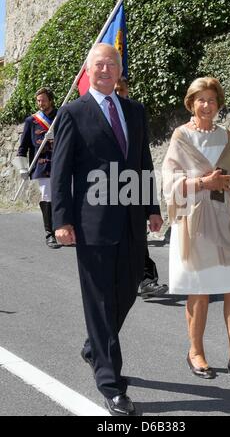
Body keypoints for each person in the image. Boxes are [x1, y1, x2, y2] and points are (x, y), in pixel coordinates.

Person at [51, 43, 163, 416]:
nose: (105, 70)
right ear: (88, 71)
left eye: (111, 64)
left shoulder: (134, 110)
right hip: (92, 224)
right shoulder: (72, 113)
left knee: (128, 290)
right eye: (98, 64)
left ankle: (94, 347)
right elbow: (61, 170)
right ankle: (112, 385)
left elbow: (143, 160)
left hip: (132, 221)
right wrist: (61, 220)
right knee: (99, 301)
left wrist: (152, 208)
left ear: (118, 70)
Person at [162, 76, 230, 380]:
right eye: (200, 100)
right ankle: (196, 353)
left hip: (221, 218)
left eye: (211, 100)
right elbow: (169, 183)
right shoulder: (181, 136)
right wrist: (203, 183)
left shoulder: (226, 135)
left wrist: (227, 182)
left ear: (218, 104)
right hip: (193, 222)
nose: (206, 105)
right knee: (200, 290)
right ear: (191, 103)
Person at [115, 77, 168, 299]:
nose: (117, 94)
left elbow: (144, 161)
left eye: (121, 90)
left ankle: (147, 280)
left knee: (138, 239)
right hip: (102, 191)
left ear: (127, 91)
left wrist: (152, 208)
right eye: (114, 90)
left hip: (133, 188)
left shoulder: (135, 115)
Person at [16, 87, 60, 249]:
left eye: (43, 100)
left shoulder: (60, 116)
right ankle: (50, 234)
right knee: (47, 197)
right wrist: (22, 168)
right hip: (43, 165)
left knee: (64, 197)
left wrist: (56, 136)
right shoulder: (32, 121)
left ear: (50, 100)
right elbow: (23, 147)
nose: (40, 103)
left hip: (61, 163)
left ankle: (66, 229)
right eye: (38, 101)